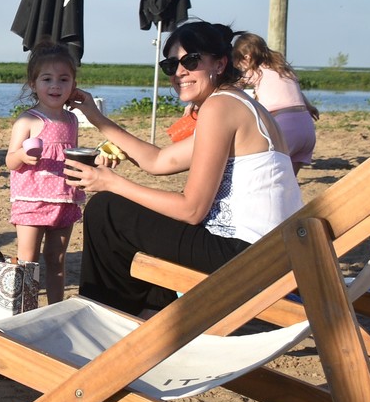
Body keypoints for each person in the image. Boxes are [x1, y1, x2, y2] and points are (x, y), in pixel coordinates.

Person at [64, 20, 303, 317]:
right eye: (171, 65)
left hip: (249, 258)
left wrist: (110, 183)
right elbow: (158, 161)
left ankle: (102, 318)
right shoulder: (236, 103)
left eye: (191, 61)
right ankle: (135, 314)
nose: (179, 72)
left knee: (107, 210)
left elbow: (192, 210)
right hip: (270, 254)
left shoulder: (220, 108)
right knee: (134, 222)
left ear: (220, 62)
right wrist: (95, 116)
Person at [4, 41, 84, 304]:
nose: (55, 86)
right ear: (33, 84)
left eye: (64, 79)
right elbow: (10, 160)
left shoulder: (72, 119)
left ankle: (55, 308)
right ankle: (24, 308)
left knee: (57, 259)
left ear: (73, 84)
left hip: (64, 197)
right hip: (31, 199)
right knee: (27, 258)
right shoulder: (28, 120)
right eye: (47, 79)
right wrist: (23, 156)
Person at [233, 31, 318, 174]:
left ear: (247, 58)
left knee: (268, 172)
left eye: (238, 63)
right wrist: (310, 107)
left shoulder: (255, 71)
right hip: (306, 127)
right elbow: (297, 92)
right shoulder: (282, 68)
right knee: (289, 179)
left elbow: (235, 87)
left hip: (285, 126)